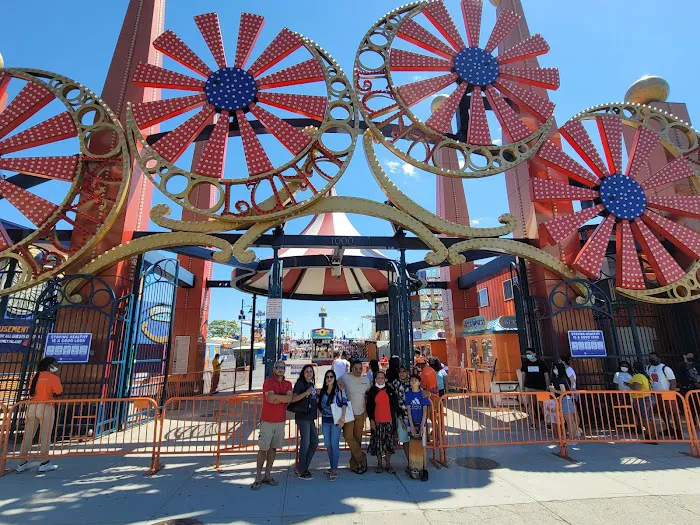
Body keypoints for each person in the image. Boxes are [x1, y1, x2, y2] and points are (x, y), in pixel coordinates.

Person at [252, 360, 312, 490]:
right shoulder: (268, 382)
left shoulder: (288, 384)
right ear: (274, 369)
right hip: (267, 421)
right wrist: (282, 398)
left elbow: (288, 399)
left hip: (280, 421)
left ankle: (267, 475)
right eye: (278, 367)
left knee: (273, 449)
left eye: (283, 368)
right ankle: (258, 477)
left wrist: (276, 397)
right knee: (263, 449)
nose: (280, 369)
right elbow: (269, 398)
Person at [16, 357, 63, 473]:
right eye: (54, 364)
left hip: (32, 407)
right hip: (46, 407)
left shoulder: (34, 377)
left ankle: (21, 463)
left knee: (28, 435)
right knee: (45, 435)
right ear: (49, 366)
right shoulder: (53, 378)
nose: (56, 366)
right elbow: (59, 392)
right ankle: (44, 462)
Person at [338, 360, 371, 474]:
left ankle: (354, 464)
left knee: (357, 439)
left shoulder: (366, 380)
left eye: (360, 369)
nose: (357, 371)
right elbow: (335, 385)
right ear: (351, 369)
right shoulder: (345, 377)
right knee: (348, 436)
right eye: (355, 368)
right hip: (348, 413)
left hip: (360, 413)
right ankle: (362, 458)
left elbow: (370, 393)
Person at [366, 371, 402, 474]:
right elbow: (369, 408)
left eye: (382, 378)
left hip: (389, 422)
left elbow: (395, 405)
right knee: (378, 444)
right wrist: (371, 420)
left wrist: (401, 416)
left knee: (388, 444)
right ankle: (379, 464)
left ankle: (388, 464)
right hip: (377, 422)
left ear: (385, 379)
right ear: (375, 379)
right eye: (378, 378)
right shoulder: (372, 392)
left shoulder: (390, 391)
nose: (380, 380)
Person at [319, 369, 348, 481]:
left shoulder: (338, 390)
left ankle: (334, 469)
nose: (329, 378)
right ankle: (332, 467)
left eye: (331, 376)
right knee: (328, 444)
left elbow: (344, 403)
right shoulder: (323, 391)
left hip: (336, 421)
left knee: (334, 444)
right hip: (325, 420)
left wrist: (343, 418)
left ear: (335, 378)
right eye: (327, 377)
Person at [646, 352, 682, 438]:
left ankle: (679, 430)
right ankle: (669, 428)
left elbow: (673, 382)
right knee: (661, 411)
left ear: (659, 358)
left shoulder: (665, 368)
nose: (651, 359)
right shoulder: (648, 368)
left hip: (667, 392)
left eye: (653, 358)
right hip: (655, 393)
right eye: (650, 358)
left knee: (674, 412)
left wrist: (671, 392)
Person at [292, 365, 319, 480]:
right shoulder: (300, 384)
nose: (309, 373)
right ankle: (302, 470)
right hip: (302, 417)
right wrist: (305, 393)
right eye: (307, 371)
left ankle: (303, 466)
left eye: (310, 371)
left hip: (310, 417)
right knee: (305, 442)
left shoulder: (311, 385)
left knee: (315, 441)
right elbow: (293, 399)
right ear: (303, 373)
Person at [405, 373, 431, 481]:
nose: (413, 381)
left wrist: (422, 425)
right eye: (412, 380)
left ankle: (424, 468)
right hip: (412, 423)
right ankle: (413, 466)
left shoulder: (423, 394)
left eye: (416, 380)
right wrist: (411, 425)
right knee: (412, 445)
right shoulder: (408, 395)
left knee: (423, 445)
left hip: (421, 423)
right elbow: (409, 411)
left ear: (419, 382)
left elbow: (425, 411)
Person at [517, 349, 550, 428]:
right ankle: (533, 423)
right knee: (531, 405)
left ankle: (547, 422)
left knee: (543, 406)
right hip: (529, 387)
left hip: (541, 388)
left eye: (529, 353)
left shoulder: (541, 363)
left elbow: (546, 375)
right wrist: (522, 387)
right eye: (526, 354)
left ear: (534, 354)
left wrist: (548, 386)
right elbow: (523, 375)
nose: (528, 355)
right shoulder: (525, 364)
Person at [627, 362, 657, 441]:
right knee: (649, 418)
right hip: (649, 397)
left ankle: (650, 435)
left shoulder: (637, 376)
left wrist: (628, 384)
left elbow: (637, 388)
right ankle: (653, 434)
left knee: (644, 418)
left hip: (641, 398)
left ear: (634, 368)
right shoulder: (646, 376)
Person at [549, 361, 579, 442]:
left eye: (555, 368)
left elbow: (563, 392)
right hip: (568, 400)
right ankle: (573, 438)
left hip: (564, 400)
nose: (554, 370)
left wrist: (553, 390)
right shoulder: (566, 378)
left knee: (569, 421)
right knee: (571, 420)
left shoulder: (561, 380)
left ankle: (572, 439)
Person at [391, 365, 411, 461]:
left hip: (413, 415)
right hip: (400, 415)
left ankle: (415, 462)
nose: (402, 374)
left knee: (414, 440)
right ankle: (409, 461)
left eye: (404, 371)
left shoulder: (412, 382)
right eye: (400, 372)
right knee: (405, 440)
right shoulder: (395, 383)